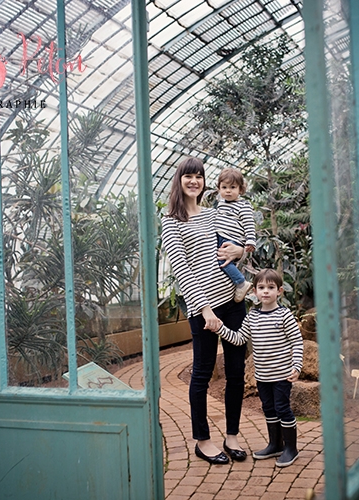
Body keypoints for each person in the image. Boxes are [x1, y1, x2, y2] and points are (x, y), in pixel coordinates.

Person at [160, 157, 249, 465]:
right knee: (202, 374)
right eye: (189, 176)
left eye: (199, 176)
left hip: (234, 304)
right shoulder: (171, 220)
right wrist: (205, 309)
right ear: (179, 180)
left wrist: (241, 250)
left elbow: (238, 241)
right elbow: (181, 270)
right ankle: (203, 441)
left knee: (236, 373)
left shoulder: (214, 214)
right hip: (204, 310)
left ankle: (232, 435)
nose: (194, 181)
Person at [214, 268, 304, 467]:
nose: (265, 292)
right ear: (254, 291)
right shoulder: (252, 317)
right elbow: (238, 339)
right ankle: (275, 444)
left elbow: (297, 342)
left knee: (282, 408)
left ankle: (291, 448)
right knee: (269, 408)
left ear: (279, 291)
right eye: (261, 287)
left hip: (282, 375)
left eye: (270, 288)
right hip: (262, 376)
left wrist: (296, 365)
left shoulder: (284, 315)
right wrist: (220, 328)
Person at [215, 168, 256, 302]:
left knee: (223, 259)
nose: (228, 190)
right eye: (224, 187)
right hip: (221, 236)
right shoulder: (221, 204)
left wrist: (250, 241)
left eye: (232, 187)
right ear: (219, 188)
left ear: (240, 189)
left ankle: (241, 283)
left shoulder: (243, 206)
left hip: (232, 239)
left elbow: (249, 224)